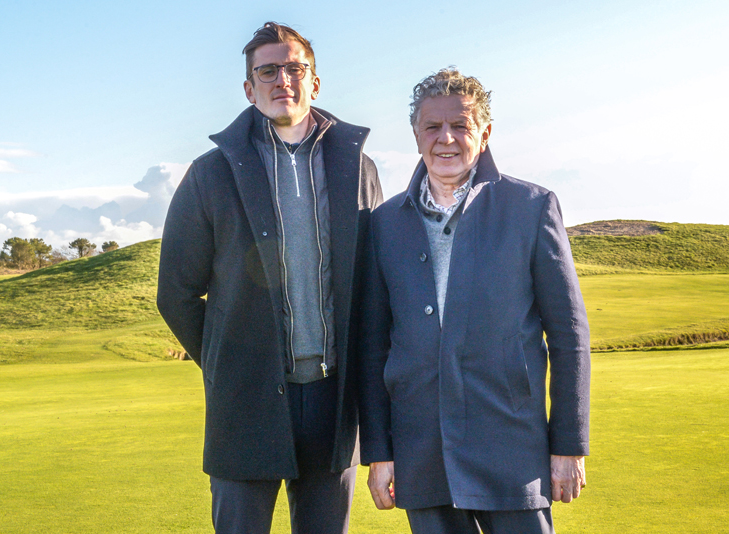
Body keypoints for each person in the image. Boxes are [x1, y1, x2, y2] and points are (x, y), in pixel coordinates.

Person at [157, 22, 382, 534]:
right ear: (248, 88)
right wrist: (228, 361)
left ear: (314, 82)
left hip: (334, 401)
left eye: (294, 68)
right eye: (268, 70)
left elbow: (372, 286)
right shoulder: (209, 173)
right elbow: (176, 293)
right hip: (247, 401)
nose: (283, 79)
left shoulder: (359, 168)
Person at [358, 68, 590, 534]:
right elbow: (372, 346)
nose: (446, 138)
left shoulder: (532, 206)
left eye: (460, 125)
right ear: (416, 135)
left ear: (484, 133)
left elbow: (568, 334)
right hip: (420, 448)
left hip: (511, 446)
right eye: (432, 127)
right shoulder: (384, 223)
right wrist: (379, 452)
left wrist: (568, 444)